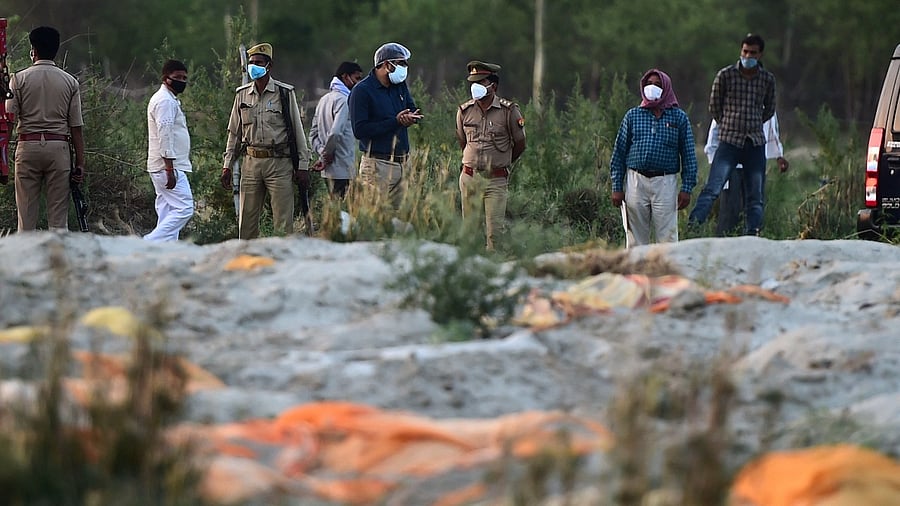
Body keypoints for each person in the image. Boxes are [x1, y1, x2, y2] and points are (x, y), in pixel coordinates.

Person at [689, 33, 777, 236]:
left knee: (755, 194)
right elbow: (714, 106)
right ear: (741, 51)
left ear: (760, 54)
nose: (748, 56)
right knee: (713, 188)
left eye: (753, 53)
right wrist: (728, 124)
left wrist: (753, 123)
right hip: (729, 141)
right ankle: (694, 227)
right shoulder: (726, 75)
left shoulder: (767, 79)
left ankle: (752, 232)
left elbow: (770, 109)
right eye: (745, 51)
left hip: (754, 142)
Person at [220, 42, 309, 239]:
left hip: (279, 163)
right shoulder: (242, 94)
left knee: (283, 222)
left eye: (259, 62)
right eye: (251, 62)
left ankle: (282, 262)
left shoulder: (284, 93)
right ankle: (247, 260)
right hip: (251, 163)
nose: (254, 66)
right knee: (247, 221)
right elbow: (234, 134)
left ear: (269, 65)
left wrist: (302, 165)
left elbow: (297, 131)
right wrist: (227, 165)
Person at [6, 26, 85, 232]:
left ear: (34, 50)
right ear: (56, 50)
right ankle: (57, 262)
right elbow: (76, 128)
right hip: (59, 149)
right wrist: (80, 163)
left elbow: (8, 121)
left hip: (28, 146)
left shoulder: (18, 79)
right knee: (59, 222)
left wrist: (3, 158)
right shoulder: (70, 81)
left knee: (26, 219)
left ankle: (27, 262)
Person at [609, 69, 697, 247]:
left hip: (665, 182)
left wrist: (687, 187)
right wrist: (617, 186)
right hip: (636, 180)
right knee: (635, 237)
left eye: (658, 85)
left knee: (667, 238)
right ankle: (636, 272)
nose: (652, 88)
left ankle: (665, 272)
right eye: (649, 84)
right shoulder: (633, 116)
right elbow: (619, 152)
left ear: (666, 88)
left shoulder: (679, 118)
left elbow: (688, 155)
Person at [455, 60, 526, 250]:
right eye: (473, 82)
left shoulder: (508, 111)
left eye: (480, 82)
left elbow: (520, 143)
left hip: (495, 181)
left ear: (492, 86)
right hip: (470, 177)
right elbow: (463, 141)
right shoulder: (464, 111)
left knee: (495, 235)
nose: (475, 87)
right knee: (468, 233)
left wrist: (501, 163)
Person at [348, 42, 422, 210]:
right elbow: (360, 130)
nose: (405, 68)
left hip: (403, 164)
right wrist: (395, 122)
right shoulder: (362, 91)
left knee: (402, 222)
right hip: (377, 166)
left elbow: (411, 108)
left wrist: (411, 117)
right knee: (374, 220)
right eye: (401, 63)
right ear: (387, 65)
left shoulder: (399, 86)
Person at [705, 113, 789, 236]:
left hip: (755, 163)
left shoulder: (766, 101)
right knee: (730, 209)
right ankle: (725, 245)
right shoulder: (733, 100)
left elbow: (772, 128)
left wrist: (779, 156)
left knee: (754, 207)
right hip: (732, 164)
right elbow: (716, 127)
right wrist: (715, 160)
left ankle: (751, 242)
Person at [144, 59, 194, 242]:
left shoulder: (168, 99)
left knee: (167, 210)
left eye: (185, 77)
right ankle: (148, 242)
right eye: (177, 77)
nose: (182, 81)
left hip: (163, 165)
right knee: (185, 208)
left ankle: (163, 250)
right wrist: (170, 168)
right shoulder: (165, 101)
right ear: (166, 78)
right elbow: (165, 135)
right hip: (167, 166)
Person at [309, 61, 363, 199]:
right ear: (345, 77)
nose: (358, 83)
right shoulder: (344, 100)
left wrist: (322, 154)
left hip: (327, 170)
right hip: (343, 168)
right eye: (357, 78)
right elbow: (335, 132)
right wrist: (327, 154)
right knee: (342, 212)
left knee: (334, 207)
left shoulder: (324, 100)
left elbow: (313, 135)